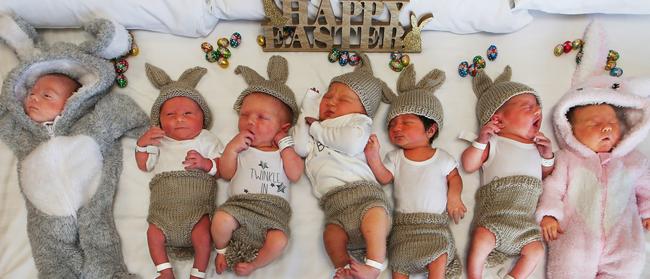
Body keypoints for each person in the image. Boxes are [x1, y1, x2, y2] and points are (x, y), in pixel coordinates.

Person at [0, 15, 147, 278]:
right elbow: (3, 119)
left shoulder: (89, 124)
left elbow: (119, 110)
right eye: (31, 92)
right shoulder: (23, 133)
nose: (34, 97)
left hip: (90, 202)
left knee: (101, 243)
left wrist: (145, 132)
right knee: (51, 254)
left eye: (47, 95)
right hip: (46, 213)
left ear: (73, 101)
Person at [536, 21, 650, 278]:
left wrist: (647, 211)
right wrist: (549, 214)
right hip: (576, 241)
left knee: (630, 264)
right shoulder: (568, 160)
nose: (606, 128)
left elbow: (646, 187)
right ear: (570, 130)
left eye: (611, 124)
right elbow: (553, 188)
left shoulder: (632, 161)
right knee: (568, 265)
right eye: (595, 124)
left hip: (624, 241)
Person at [293, 53, 394, 279]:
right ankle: (344, 268)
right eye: (328, 97)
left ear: (363, 109)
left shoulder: (357, 123)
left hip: (365, 196)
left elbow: (350, 144)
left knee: (376, 220)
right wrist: (306, 113)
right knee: (331, 236)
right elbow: (300, 147)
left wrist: (317, 128)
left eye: (344, 99)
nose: (331, 102)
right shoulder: (317, 125)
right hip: (334, 205)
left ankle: (374, 266)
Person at [364, 65, 464, 279]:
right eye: (392, 125)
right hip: (405, 228)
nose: (397, 128)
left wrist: (454, 197)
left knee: (439, 257)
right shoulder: (396, 157)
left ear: (430, 130)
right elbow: (384, 178)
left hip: (435, 227)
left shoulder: (442, 157)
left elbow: (454, 178)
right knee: (399, 262)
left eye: (406, 123)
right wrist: (374, 157)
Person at [211, 55, 303, 276]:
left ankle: (255, 264)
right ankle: (222, 250)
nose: (250, 121)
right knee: (221, 220)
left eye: (262, 117)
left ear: (283, 127)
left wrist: (285, 144)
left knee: (280, 240)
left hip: (272, 212)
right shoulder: (241, 148)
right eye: (244, 115)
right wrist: (232, 149)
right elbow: (225, 173)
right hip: (240, 206)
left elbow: (296, 174)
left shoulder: (283, 151)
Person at [460, 66, 553, 279]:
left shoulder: (538, 147)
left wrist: (548, 154)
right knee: (481, 238)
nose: (538, 111)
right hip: (496, 217)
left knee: (536, 249)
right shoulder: (494, 142)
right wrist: (480, 141)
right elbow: (469, 165)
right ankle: (475, 275)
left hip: (525, 222)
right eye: (528, 107)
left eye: (539, 107)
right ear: (498, 121)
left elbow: (547, 174)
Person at [136, 64, 222, 279]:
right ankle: (164, 271)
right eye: (170, 114)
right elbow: (144, 165)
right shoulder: (159, 140)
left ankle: (198, 272)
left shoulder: (206, 138)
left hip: (196, 208)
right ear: (160, 120)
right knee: (153, 233)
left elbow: (223, 168)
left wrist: (205, 163)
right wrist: (142, 145)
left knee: (203, 234)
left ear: (203, 117)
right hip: (164, 208)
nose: (179, 119)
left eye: (188, 113)